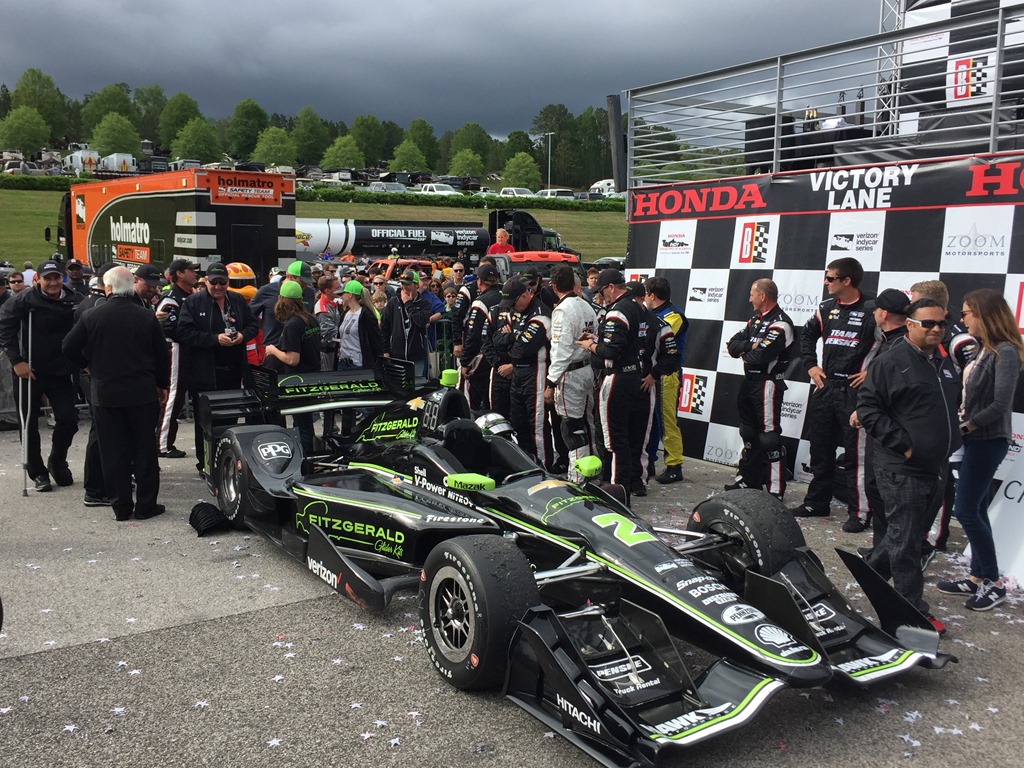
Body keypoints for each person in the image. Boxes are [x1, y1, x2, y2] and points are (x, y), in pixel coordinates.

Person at [856, 298, 960, 634]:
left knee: (907, 534)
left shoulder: (942, 359)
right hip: (902, 466)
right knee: (907, 542)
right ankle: (910, 612)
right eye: (928, 323)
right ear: (910, 325)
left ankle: (870, 571)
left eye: (941, 323)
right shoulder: (891, 361)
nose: (937, 329)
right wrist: (904, 444)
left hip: (936, 464)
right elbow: (868, 409)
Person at [936, 289, 1024, 612]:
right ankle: (976, 577)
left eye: (966, 313)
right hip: (973, 439)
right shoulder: (983, 348)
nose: (962, 320)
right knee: (977, 508)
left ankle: (994, 582)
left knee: (966, 510)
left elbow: (1001, 404)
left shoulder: (1006, 352)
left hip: (988, 440)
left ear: (984, 315)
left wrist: (966, 427)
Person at [62, 267, 170, 521]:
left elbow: (68, 346)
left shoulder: (91, 315)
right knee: (144, 449)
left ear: (107, 288)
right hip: (141, 392)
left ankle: (121, 506)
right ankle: (145, 505)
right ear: (131, 287)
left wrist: (87, 365)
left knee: (113, 451)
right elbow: (161, 354)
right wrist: (162, 384)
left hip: (106, 393)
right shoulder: (146, 316)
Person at [791, 257, 876, 532]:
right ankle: (817, 502)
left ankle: (860, 512)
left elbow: (897, 342)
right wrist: (810, 364)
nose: (825, 282)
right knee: (820, 449)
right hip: (826, 387)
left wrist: (873, 371)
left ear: (846, 281)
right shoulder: (826, 308)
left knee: (855, 455)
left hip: (856, 392)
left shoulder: (874, 309)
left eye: (830, 278)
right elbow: (806, 336)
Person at [0, 259, 80, 492]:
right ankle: (37, 472)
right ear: (38, 279)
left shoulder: (73, 299)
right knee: (28, 422)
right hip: (29, 370)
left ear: (62, 278)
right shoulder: (25, 299)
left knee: (68, 419)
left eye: (57, 277)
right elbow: (5, 326)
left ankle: (57, 461)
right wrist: (16, 360)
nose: (53, 282)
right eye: (48, 278)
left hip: (60, 369)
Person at [176, 262, 258, 471]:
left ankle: (225, 461)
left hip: (233, 370)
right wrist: (214, 339)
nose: (218, 287)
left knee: (230, 419)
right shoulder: (193, 302)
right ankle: (205, 464)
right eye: (214, 282)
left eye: (223, 282)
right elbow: (184, 333)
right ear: (206, 281)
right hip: (205, 373)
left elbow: (253, 325)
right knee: (206, 422)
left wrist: (242, 336)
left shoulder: (237, 300)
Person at [577, 269, 648, 499]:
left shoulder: (617, 311)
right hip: (633, 375)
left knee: (614, 441)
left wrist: (590, 346)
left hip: (617, 378)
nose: (600, 296)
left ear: (611, 287)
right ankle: (620, 488)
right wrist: (598, 339)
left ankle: (617, 494)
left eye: (602, 291)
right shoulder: (636, 306)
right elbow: (624, 342)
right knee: (624, 437)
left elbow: (612, 351)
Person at [724, 279, 795, 498]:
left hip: (767, 383)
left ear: (762, 296)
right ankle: (749, 480)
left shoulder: (781, 323)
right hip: (749, 382)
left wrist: (748, 350)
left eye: (752, 294)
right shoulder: (754, 321)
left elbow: (760, 356)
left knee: (769, 439)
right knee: (748, 432)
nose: (749, 299)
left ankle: (775, 490)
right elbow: (732, 345)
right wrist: (750, 346)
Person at [545, 264, 598, 483]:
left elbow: (561, 350)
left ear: (554, 286)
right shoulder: (586, 305)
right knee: (588, 424)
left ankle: (577, 478)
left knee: (572, 428)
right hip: (587, 369)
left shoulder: (562, 310)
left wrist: (550, 382)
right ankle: (594, 470)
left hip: (571, 373)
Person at [262, 281, 323, 454]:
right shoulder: (311, 319)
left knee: (302, 425)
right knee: (305, 423)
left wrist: (273, 350)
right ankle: (308, 457)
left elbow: (292, 359)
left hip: (298, 381)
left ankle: (305, 460)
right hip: (313, 377)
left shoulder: (293, 324)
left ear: (282, 300)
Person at [501, 279, 552, 467]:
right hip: (518, 375)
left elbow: (521, 350)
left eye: (513, 303)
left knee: (536, 424)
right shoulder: (517, 313)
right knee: (518, 422)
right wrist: (514, 339)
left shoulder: (541, 314)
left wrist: (511, 339)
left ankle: (543, 467)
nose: (511, 308)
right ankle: (524, 465)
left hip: (536, 373)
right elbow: (499, 340)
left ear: (524, 296)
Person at [643, 277, 688, 485]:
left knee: (667, 420)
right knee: (650, 421)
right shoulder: (651, 313)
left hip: (668, 375)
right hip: (651, 373)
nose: (644, 298)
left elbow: (654, 337)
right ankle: (649, 461)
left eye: (645, 294)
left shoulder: (674, 315)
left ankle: (674, 465)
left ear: (652, 295)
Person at [155, 258, 199, 459]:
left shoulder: (190, 295)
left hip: (188, 350)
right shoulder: (171, 298)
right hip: (176, 349)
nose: (195, 274)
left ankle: (164, 442)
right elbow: (170, 328)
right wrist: (197, 336)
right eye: (191, 270)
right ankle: (162, 444)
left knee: (178, 397)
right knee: (173, 396)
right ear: (180, 273)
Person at [459, 264, 501, 410]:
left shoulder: (481, 302)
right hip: (502, 358)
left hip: (482, 356)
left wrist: (465, 362)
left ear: (479, 281)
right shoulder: (506, 295)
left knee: (471, 398)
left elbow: (473, 334)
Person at [380, 269, 433, 375]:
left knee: (416, 382)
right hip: (396, 355)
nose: (404, 287)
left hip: (416, 355)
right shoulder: (393, 302)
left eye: (408, 284)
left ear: (416, 285)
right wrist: (385, 350)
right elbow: (384, 328)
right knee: (397, 382)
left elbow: (421, 321)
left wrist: (408, 303)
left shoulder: (424, 303)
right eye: (402, 284)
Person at [334, 279, 383, 371]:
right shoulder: (345, 313)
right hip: (342, 363)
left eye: (342, 294)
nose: (340, 297)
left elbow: (376, 341)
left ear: (350, 295)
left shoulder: (366, 315)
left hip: (358, 364)